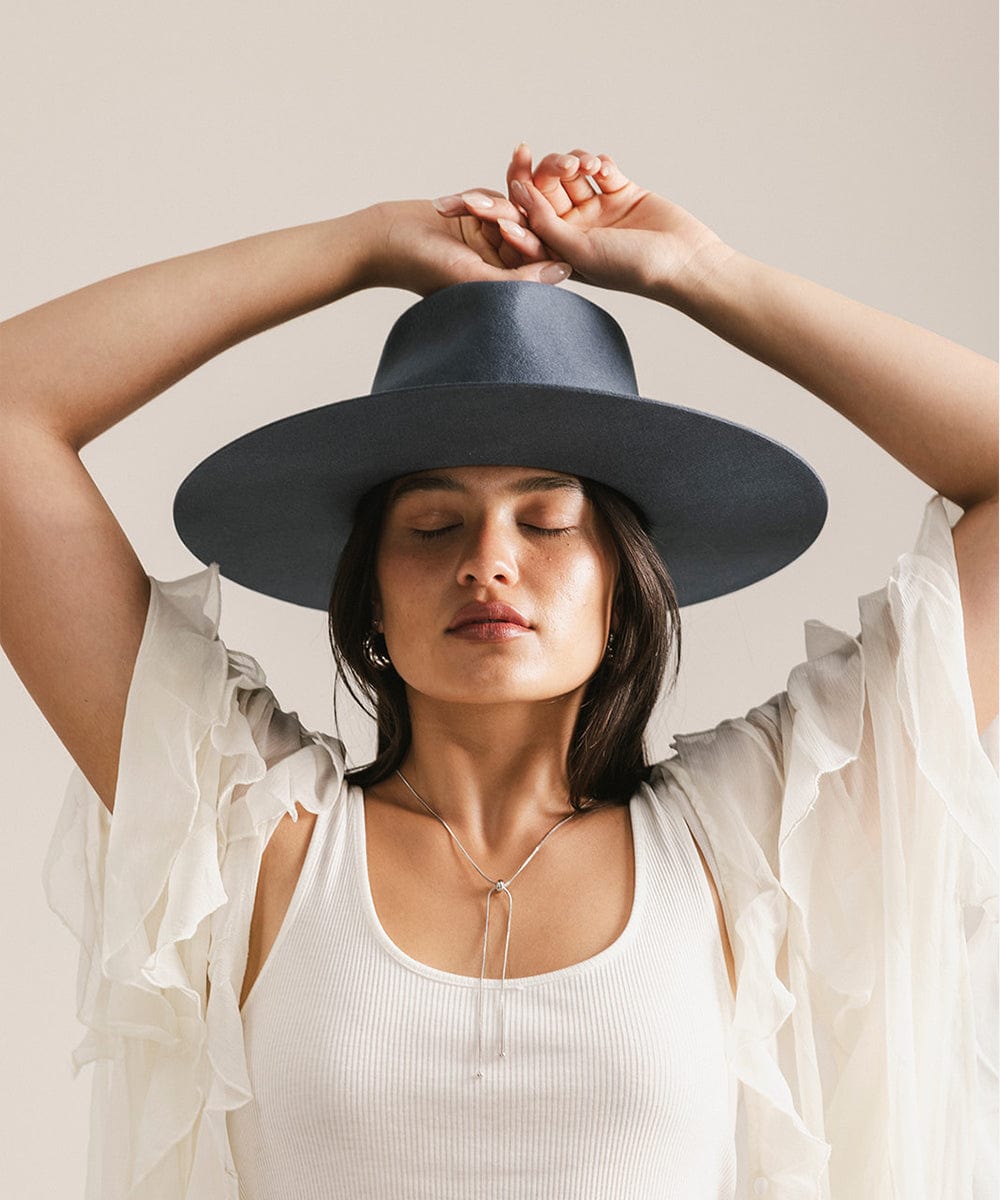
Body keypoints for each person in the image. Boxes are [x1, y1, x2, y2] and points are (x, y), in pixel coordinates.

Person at [2, 143, 996, 1199]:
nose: (487, 562)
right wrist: (358, 248)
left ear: (623, 585)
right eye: (433, 526)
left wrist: (703, 271)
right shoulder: (254, 834)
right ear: (368, 593)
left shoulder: (744, 843)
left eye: (547, 521)